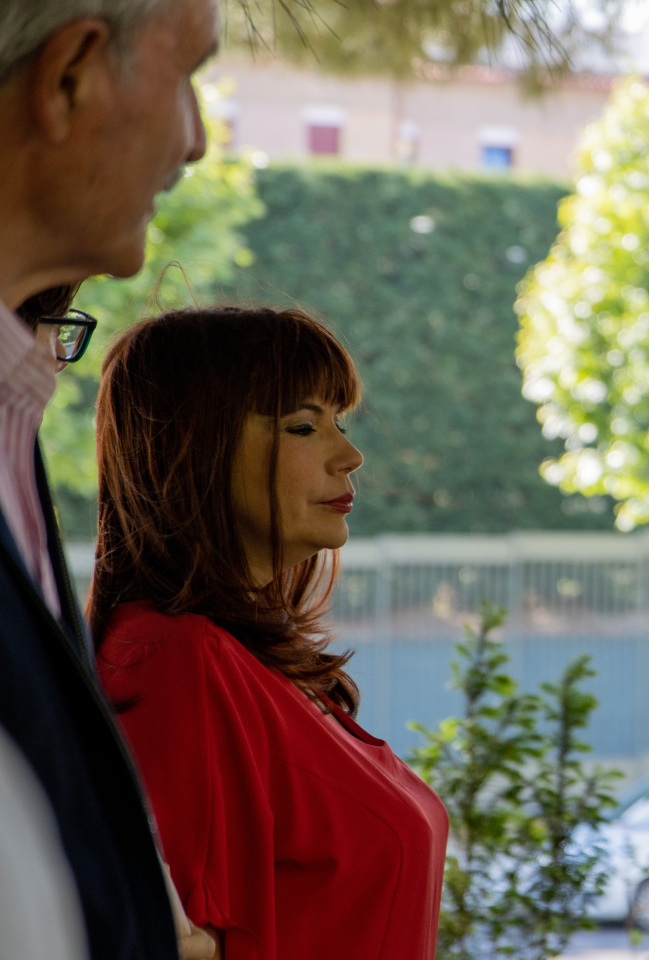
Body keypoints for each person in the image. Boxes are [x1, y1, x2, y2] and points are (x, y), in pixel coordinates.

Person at [91, 306, 449, 960]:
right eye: (303, 426)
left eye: (339, 423)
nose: (350, 456)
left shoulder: (251, 662)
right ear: (195, 446)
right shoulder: (176, 659)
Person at [0, 0, 217, 956]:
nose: (196, 141)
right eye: (188, 76)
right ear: (70, 77)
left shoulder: (14, 420)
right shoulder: (179, 662)